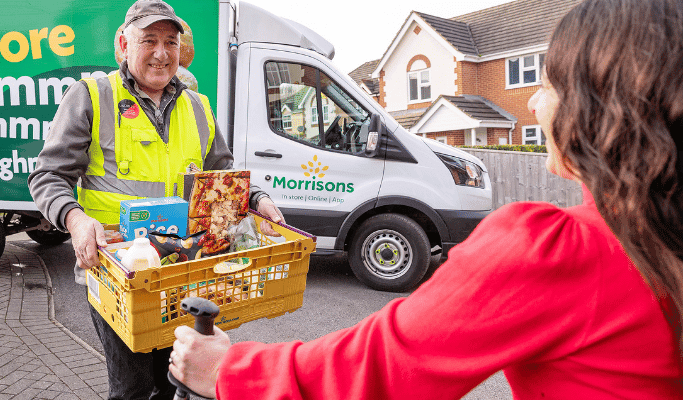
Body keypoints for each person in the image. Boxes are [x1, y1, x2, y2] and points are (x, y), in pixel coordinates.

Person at [169, 0, 683, 398]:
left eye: (547, 83)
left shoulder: (558, 252)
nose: (532, 101)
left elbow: (380, 367)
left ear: (600, 108)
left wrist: (226, 371)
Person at [28, 0, 285, 399]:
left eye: (170, 41)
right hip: (116, 274)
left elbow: (221, 173)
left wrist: (256, 197)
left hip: (179, 269)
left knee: (172, 381)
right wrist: (76, 220)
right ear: (123, 45)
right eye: (149, 40)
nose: (162, 53)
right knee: (132, 386)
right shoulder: (92, 95)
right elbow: (48, 175)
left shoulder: (198, 106)